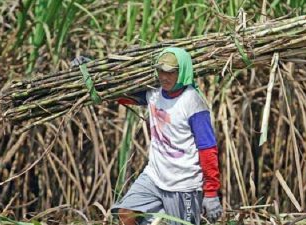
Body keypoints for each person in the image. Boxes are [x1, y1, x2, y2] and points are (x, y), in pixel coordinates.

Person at [73, 47, 223, 224]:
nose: (164, 77)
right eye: (160, 71)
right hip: (154, 176)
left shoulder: (193, 103)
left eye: (171, 72)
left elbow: (207, 149)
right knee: (125, 213)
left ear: (182, 71)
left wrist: (211, 192)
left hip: (184, 185)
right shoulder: (153, 93)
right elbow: (119, 92)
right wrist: (90, 69)